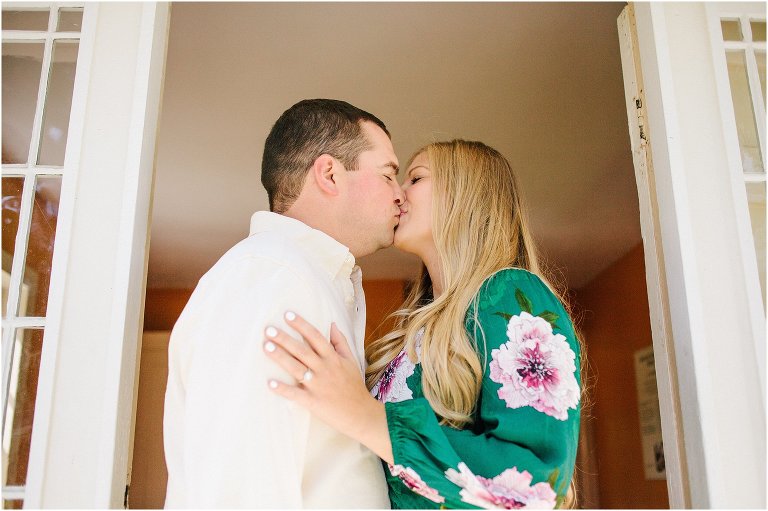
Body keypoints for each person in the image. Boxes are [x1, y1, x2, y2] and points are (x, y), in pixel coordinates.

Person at [263, 140, 582, 509]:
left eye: (414, 178)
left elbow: (538, 483)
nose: (396, 194)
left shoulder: (510, 293)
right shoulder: (415, 333)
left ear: (464, 193)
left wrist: (366, 416)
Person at [163, 99, 404, 508]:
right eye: (388, 176)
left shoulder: (306, 278)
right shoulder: (270, 277)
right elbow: (240, 482)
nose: (401, 196)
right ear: (329, 174)